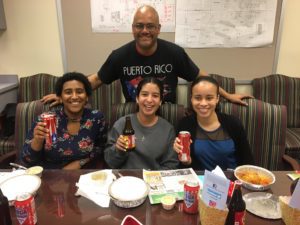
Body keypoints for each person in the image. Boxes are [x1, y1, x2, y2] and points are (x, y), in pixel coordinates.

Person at [42, 5, 252, 107]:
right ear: (133, 28)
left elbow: (200, 77)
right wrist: (66, 95)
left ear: (158, 29)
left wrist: (228, 95)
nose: (145, 31)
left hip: (167, 114)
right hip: (134, 113)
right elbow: (96, 79)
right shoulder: (120, 56)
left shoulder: (173, 52)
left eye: (150, 26)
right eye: (140, 26)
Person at [21, 72, 107, 169]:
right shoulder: (45, 119)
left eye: (79, 91)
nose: (74, 96)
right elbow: (27, 160)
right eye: (68, 92)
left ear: (86, 96)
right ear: (60, 98)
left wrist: (80, 162)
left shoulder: (96, 118)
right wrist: (37, 141)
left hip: (82, 175)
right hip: (49, 176)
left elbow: (101, 148)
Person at [173, 76, 254, 171]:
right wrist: (187, 161)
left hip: (230, 182)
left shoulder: (233, 124)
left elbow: (248, 162)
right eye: (198, 98)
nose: (203, 103)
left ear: (217, 99)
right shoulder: (185, 124)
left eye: (209, 98)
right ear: (191, 99)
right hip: (200, 181)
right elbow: (184, 168)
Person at [104, 77, 179, 169]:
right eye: (144, 94)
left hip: (155, 180)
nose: (149, 100)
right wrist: (118, 149)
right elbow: (109, 162)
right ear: (137, 98)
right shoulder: (121, 124)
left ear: (160, 101)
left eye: (155, 96)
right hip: (125, 179)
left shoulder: (168, 129)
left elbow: (171, 166)